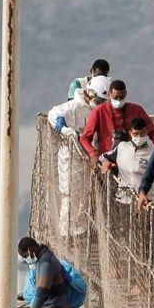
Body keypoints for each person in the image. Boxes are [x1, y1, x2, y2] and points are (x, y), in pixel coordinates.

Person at [47, 86, 100, 237]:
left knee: (85, 194)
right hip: (70, 156)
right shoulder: (73, 106)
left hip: (88, 157)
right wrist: (64, 129)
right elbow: (54, 113)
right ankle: (66, 231)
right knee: (69, 194)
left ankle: (79, 229)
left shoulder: (95, 110)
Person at [79, 79, 154, 161]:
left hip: (132, 158)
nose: (119, 100)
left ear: (126, 94)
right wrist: (92, 154)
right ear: (109, 94)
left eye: (121, 97)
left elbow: (152, 131)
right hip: (106, 160)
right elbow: (84, 138)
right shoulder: (98, 111)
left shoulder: (136, 109)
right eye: (116, 97)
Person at [100, 117, 154, 195]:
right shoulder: (122, 147)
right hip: (123, 197)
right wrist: (106, 162)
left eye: (142, 133)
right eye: (135, 134)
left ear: (146, 131)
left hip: (143, 199)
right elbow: (103, 156)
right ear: (130, 133)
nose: (139, 137)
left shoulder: (153, 153)